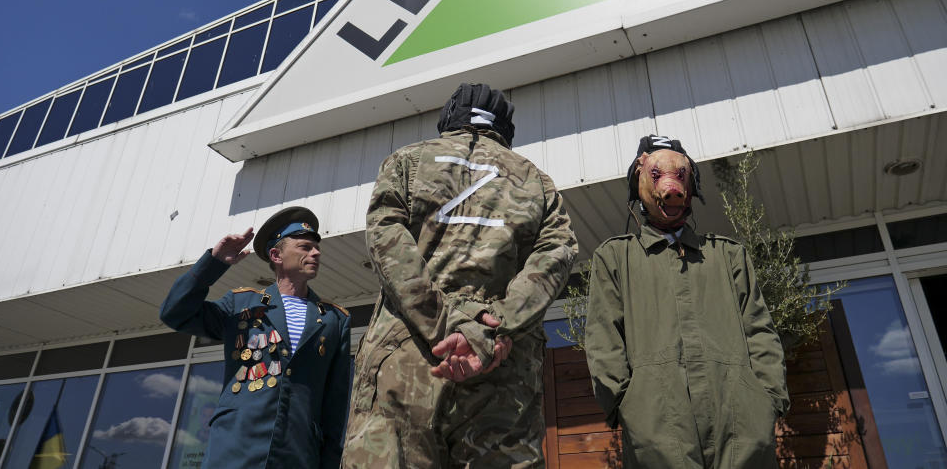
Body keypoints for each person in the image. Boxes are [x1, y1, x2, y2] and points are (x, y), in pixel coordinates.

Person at [341, 83, 578, 468]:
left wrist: (444, 325)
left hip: (410, 356)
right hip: (502, 364)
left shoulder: (406, 161)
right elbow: (557, 253)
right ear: (506, 129)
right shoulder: (537, 182)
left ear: (448, 119)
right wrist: (495, 328)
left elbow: (387, 240)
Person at [584, 135, 788, 469]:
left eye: (681, 176)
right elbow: (603, 340)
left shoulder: (728, 255)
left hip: (742, 427)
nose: (671, 187)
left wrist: (769, 401)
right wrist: (627, 406)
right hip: (655, 429)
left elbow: (760, 331)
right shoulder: (614, 258)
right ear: (639, 183)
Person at [160, 206, 350, 469]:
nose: (316, 253)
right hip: (235, 453)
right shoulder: (241, 303)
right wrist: (213, 263)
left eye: (316, 248)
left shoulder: (334, 319)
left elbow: (335, 406)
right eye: (305, 247)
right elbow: (174, 313)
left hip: (297, 456)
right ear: (276, 255)